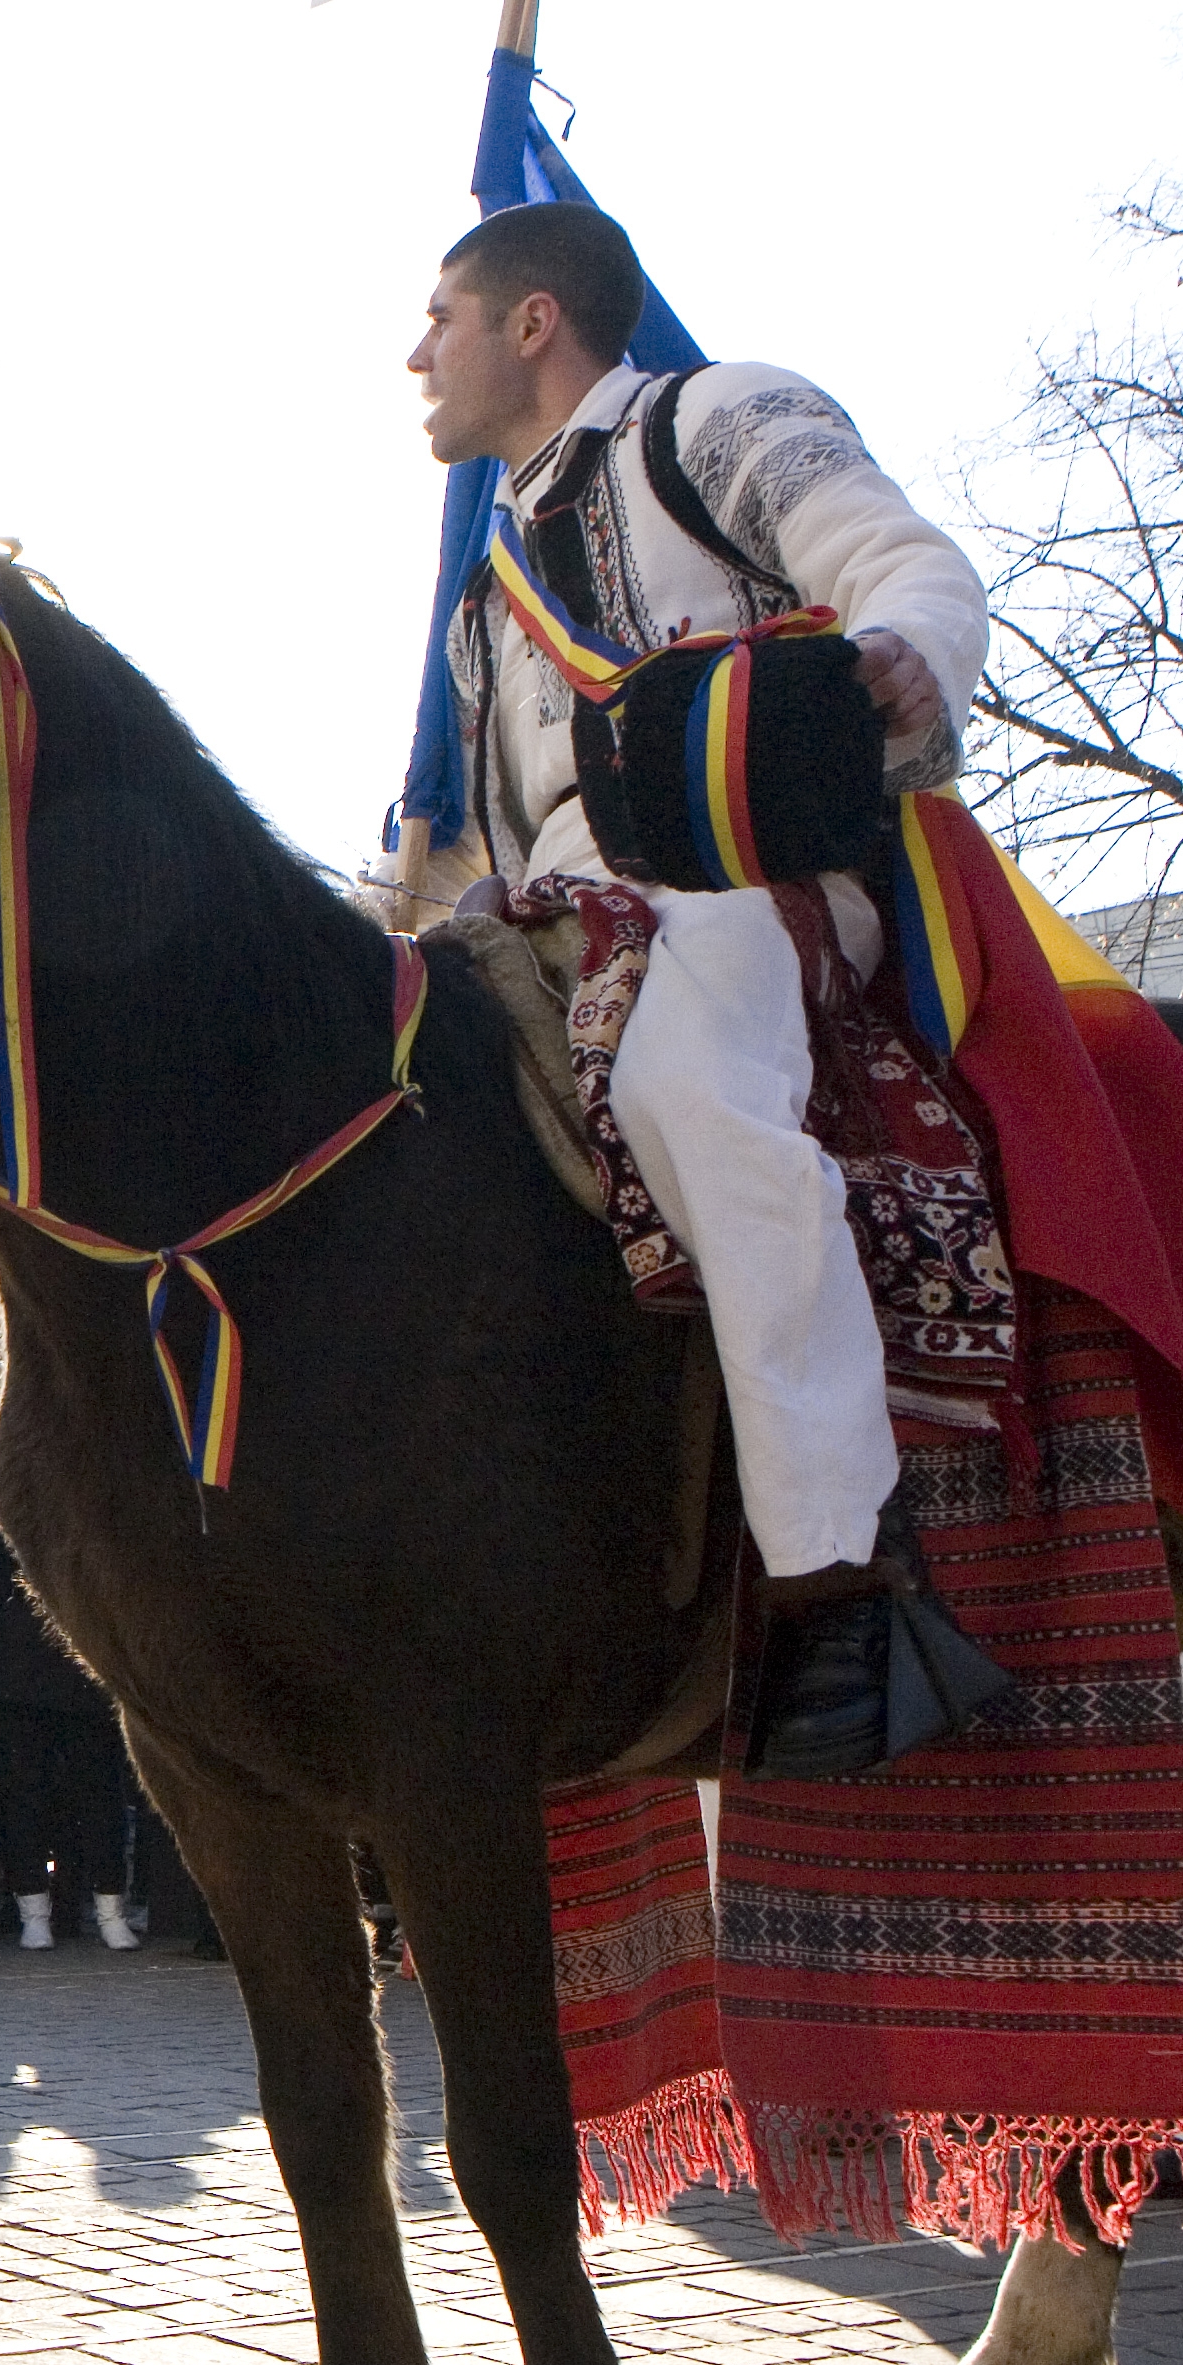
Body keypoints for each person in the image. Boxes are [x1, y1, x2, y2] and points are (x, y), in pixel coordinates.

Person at [421, 198, 1000, 1776]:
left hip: (742, 882)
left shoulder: (719, 415)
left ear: (533, 322)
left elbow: (910, 565)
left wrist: (892, 658)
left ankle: (839, 1566)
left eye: (441, 319)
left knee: (686, 1071)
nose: (418, 356)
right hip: (539, 918)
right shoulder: (481, 599)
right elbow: (492, 827)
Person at [0, 1485, 130, 1950]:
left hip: (89, 1678)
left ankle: (110, 1910)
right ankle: (34, 1911)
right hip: (22, 1685)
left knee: (100, 1800)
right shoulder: (12, 1519)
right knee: (24, 1798)